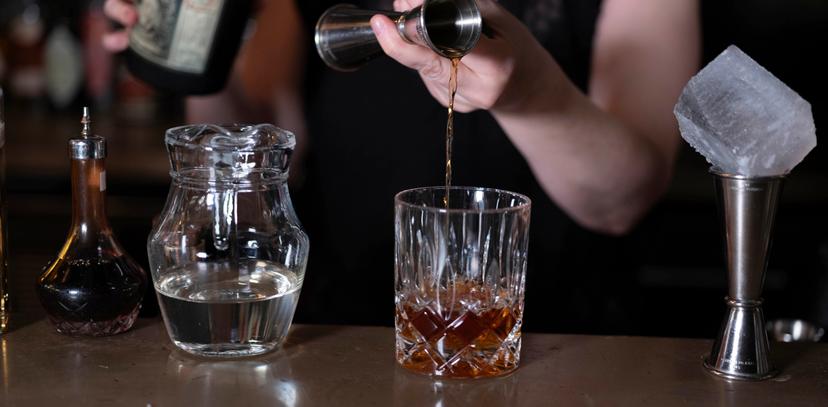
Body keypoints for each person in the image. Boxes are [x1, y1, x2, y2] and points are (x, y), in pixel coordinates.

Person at [103, 0, 700, 334]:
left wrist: (529, 91)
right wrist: (197, 45)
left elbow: (623, 198)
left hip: (561, 347)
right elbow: (261, 153)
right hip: (344, 342)